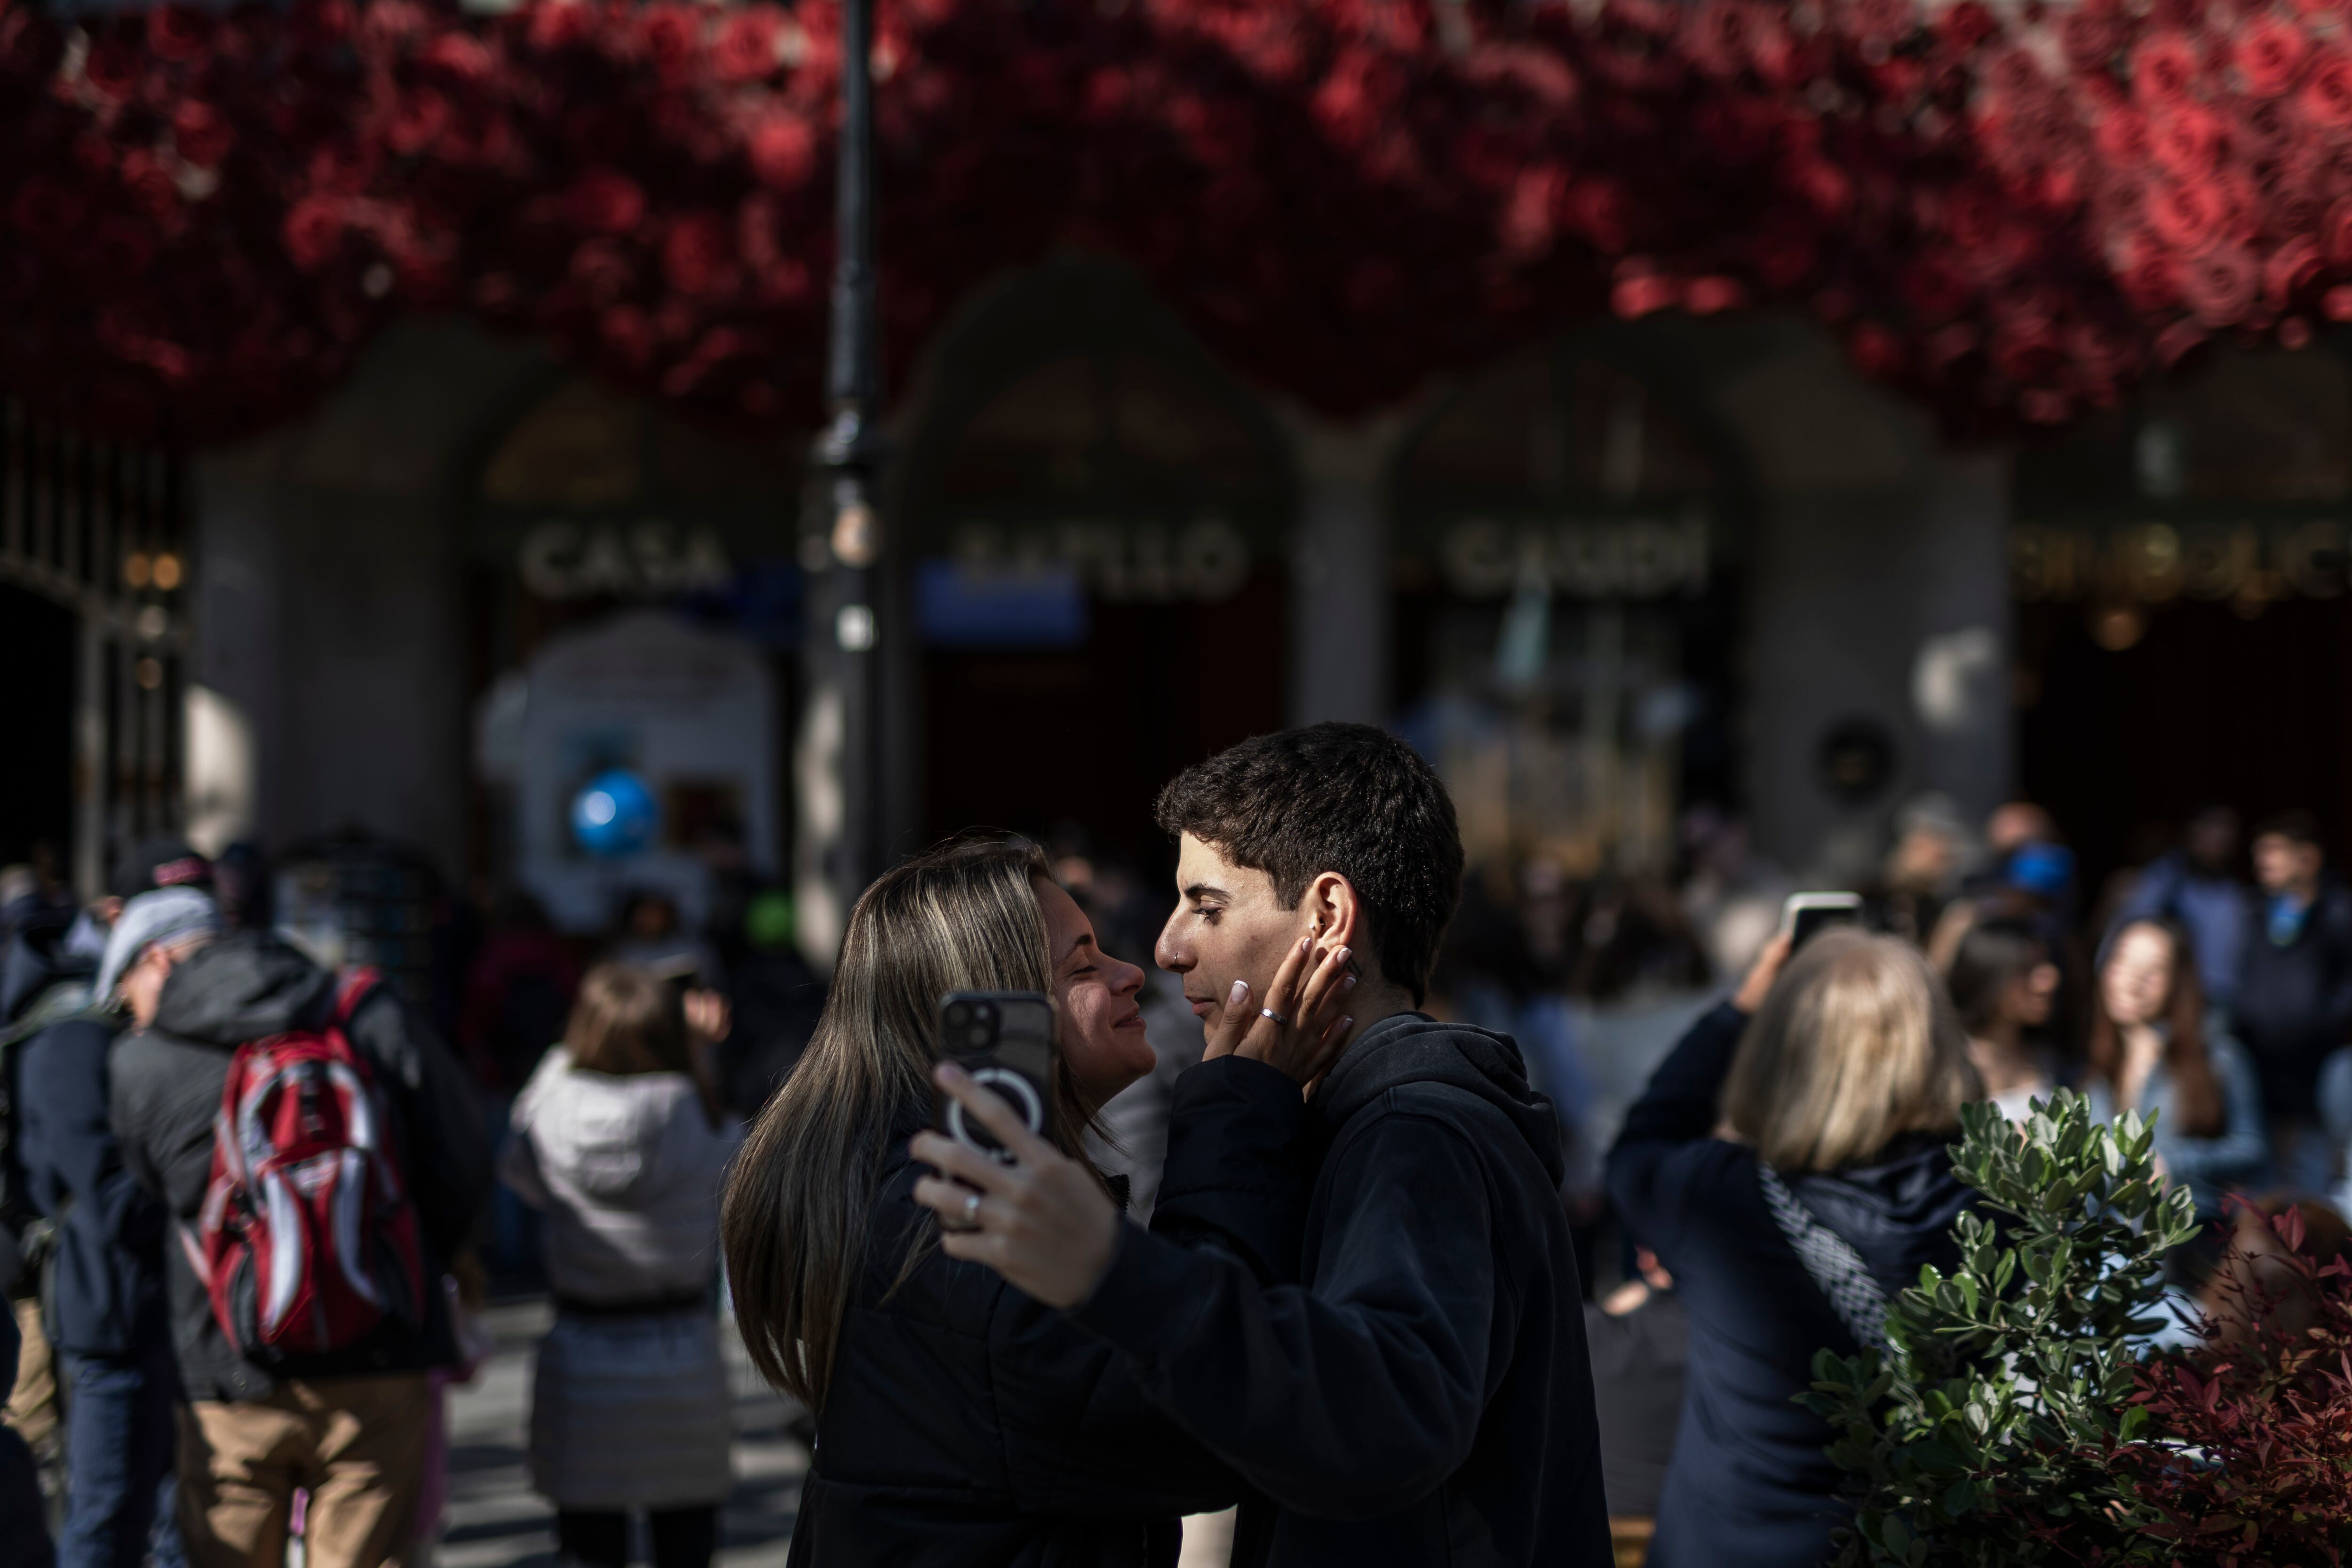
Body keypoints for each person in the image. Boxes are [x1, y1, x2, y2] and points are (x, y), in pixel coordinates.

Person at [911, 724, 1617, 1568]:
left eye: (1206, 905)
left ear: (1327, 913)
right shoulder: (1364, 1115)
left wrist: (1115, 1268)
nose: (1167, 948)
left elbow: (1387, 1416)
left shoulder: (1412, 1131)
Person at [723, 835, 1348, 1566]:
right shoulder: (959, 1226)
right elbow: (1200, 1426)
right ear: (996, 1020)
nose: (1132, 973)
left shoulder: (934, 1195)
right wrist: (1236, 1116)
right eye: (1083, 965)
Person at [108, 910, 491, 1568]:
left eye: (124, 987)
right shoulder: (368, 1013)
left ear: (161, 962)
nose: (126, 1007)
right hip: (382, 1351)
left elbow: (148, 1199)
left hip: (226, 1365)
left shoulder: (142, 1059)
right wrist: (403, 1266)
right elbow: (463, 1161)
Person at [1605, 928, 1979, 1568]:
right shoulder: (1998, 1212)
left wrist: (1739, 1008)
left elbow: (1643, 1139)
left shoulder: (1715, 1197)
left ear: (1777, 1054)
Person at [501, 965, 744, 1568]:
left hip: (582, 1358)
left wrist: (568, 1052)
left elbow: (516, 1167)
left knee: (589, 1545)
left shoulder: (547, 1115)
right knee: (686, 1541)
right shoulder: (708, 1121)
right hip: (681, 1358)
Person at [19, 891, 206, 1568]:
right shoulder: (70, 1042)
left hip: (151, 1316)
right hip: (110, 1320)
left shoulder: (101, 1038)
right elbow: (111, 1198)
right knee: (105, 1521)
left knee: (160, 1518)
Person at [2083, 920, 2268, 1218]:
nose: (2133, 981)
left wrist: (2172, 1163)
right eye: (2123, 961)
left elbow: (2252, 1150)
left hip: (2186, 1237)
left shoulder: (2219, 1057)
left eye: (2153, 970)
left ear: (2177, 980)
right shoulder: (2091, 1067)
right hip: (2102, 1247)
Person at [2233, 812, 2352, 1191]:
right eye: (2260, 852)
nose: (2262, 862)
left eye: (2274, 851)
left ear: (2307, 858)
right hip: (2262, 1060)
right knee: (2264, 1172)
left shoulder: (2338, 912)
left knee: (2315, 1165)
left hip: (2318, 1063)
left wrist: (2323, 1022)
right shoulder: (2253, 911)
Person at [1582, 1248, 1686, 1523]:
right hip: (1699, 1534)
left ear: (1648, 1260)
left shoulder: (1590, 1335)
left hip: (1608, 1534)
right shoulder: (1745, 1348)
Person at [2117, 807, 2249, 1016]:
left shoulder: (2233, 892)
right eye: (2211, 829)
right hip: (2174, 998)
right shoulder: (2164, 880)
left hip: (2223, 1002)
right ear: (2192, 832)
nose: (2219, 840)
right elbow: (2134, 930)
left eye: (2226, 834)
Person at [1945, 917, 2062, 1121]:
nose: (2049, 980)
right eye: (2027, 969)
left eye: (2047, 963)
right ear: (1989, 976)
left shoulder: (2054, 1057)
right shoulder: (1950, 1068)